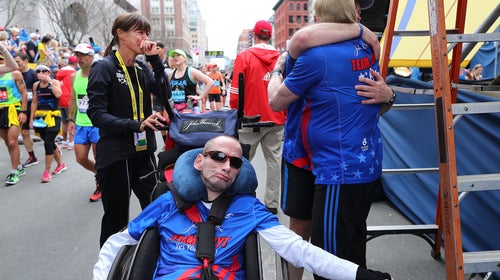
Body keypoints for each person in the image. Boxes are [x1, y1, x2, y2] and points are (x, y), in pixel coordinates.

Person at [93, 135, 392, 280]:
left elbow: (300, 250)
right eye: (218, 157)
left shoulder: (249, 208)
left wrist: (359, 274)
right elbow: (117, 243)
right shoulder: (167, 203)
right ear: (200, 160)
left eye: (235, 162)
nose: (227, 166)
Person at [268, 0, 394, 278]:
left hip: (336, 166)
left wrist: (275, 73)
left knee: (330, 256)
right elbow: (373, 100)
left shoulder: (319, 55)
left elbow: (276, 102)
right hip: (309, 156)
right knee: (334, 240)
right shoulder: (366, 48)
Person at [86, 13, 171, 247]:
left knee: (158, 211)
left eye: (147, 33)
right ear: (120, 34)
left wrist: (156, 61)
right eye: (140, 32)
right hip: (115, 155)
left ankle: (157, 263)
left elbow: (166, 95)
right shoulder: (103, 67)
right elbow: (96, 115)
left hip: (144, 153)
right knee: (116, 221)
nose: (145, 38)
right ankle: (109, 269)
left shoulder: (142, 68)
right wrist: (137, 124)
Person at [229, 20, 286, 214]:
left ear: (254, 34)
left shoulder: (244, 57)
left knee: (242, 162)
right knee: (274, 163)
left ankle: (240, 200)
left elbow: (236, 91)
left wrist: (235, 112)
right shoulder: (281, 58)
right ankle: (271, 204)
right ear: (270, 35)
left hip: (250, 120)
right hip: (276, 118)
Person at [67, 43, 101, 202]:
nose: (79, 59)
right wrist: (70, 120)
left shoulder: (99, 73)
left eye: (82, 55)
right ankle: (100, 174)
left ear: (91, 56)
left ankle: (101, 183)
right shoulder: (74, 76)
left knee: (99, 157)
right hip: (81, 122)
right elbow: (73, 99)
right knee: (80, 158)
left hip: (97, 123)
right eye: (77, 55)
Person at [30, 64, 67, 183]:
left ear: (48, 72)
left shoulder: (54, 82)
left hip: (54, 116)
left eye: (44, 71)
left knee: (48, 142)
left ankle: (47, 171)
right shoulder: (36, 85)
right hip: (40, 117)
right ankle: (61, 164)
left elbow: (58, 95)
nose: (41, 73)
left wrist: (49, 82)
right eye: (38, 71)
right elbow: (34, 102)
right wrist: (31, 119)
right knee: (48, 141)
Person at [0, 45, 28, 186]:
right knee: (7, 142)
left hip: (13, 109)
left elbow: (23, 92)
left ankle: (13, 172)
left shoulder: (14, 73)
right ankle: (18, 165)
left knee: (12, 141)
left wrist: (23, 111)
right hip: (0, 110)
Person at [168, 48, 214, 114]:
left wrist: (201, 96)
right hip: (175, 109)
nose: (175, 57)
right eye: (174, 56)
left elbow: (210, 82)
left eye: (178, 55)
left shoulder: (192, 71)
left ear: (185, 58)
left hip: (190, 109)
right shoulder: (171, 74)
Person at [13, 52, 39, 167]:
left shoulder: (33, 74)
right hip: (22, 107)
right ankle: (32, 156)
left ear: (26, 61)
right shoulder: (14, 75)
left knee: (43, 133)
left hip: (34, 106)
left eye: (18, 61)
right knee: (24, 132)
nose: (16, 64)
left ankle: (54, 149)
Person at [55, 56, 78, 150]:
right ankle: (72, 141)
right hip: (70, 99)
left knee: (64, 122)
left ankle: (65, 141)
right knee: (72, 120)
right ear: (75, 64)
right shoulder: (73, 73)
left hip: (61, 99)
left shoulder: (59, 73)